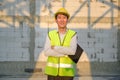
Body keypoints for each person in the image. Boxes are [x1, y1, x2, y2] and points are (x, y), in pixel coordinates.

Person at [43, 7, 77, 80]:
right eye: (59, 18)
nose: (62, 20)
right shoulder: (50, 34)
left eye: (64, 17)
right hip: (52, 73)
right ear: (56, 20)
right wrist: (65, 53)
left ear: (67, 20)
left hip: (67, 73)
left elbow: (72, 51)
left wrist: (55, 48)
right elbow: (46, 52)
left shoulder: (73, 34)